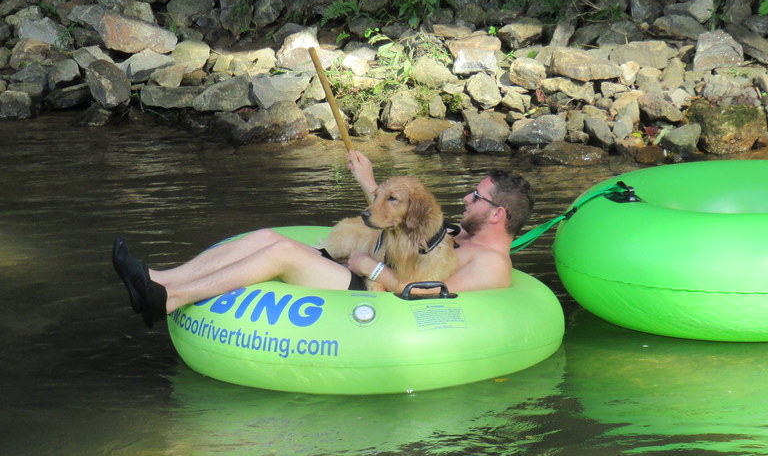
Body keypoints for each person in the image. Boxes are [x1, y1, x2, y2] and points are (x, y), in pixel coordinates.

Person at [112, 150, 534, 327]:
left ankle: (169, 300)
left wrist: (374, 268)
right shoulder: (459, 235)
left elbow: (425, 294)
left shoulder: (492, 265)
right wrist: (368, 181)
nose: (466, 197)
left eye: (476, 197)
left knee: (281, 252)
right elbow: (396, 216)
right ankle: (158, 277)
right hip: (363, 267)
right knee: (263, 235)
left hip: (370, 290)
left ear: (499, 214)